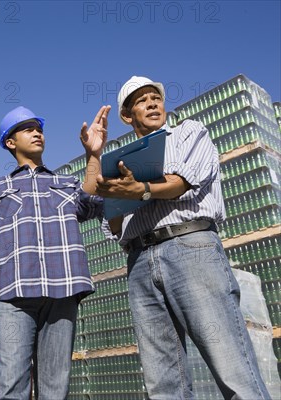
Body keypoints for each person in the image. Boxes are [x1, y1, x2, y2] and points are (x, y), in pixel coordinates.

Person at [86, 76, 271, 399]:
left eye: (155, 98)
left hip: (190, 247)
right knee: (162, 378)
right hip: (140, 259)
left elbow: (184, 182)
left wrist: (141, 190)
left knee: (229, 361)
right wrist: (97, 157)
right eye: (142, 101)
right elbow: (108, 220)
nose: (153, 103)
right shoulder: (118, 162)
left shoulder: (188, 132)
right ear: (128, 116)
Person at [0, 105, 110, 399]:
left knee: (55, 388)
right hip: (12, 294)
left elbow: (90, 203)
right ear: (10, 142)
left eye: (40, 129)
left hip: (63, 290)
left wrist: (93, 155)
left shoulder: (65, 183)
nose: (37, 133)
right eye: (28, 129)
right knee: (9, 384)